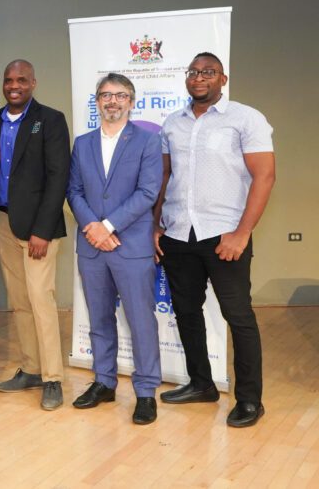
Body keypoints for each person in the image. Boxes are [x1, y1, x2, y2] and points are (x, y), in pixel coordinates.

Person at [154, 52, 275, 428]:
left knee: (238, 317)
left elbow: (265, 176)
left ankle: (250, 400)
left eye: (207, 72)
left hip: (224, 235)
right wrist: (156, 225)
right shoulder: (171, 123)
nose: (199, 78)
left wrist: (242, 234)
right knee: (187, 313)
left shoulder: (246, 118)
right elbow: (164, 177)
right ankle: (202, 384)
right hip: (177, 233)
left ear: (223, 78)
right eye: (193, 72)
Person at [66, 73, 162, 425]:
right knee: (99, 319)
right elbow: (73, 190)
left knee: (141, 322)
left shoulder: (148, 142)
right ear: (97, 102)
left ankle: (146, 391)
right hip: (92, 247)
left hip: (129, 245)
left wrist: (107, 226)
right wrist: (92, 227)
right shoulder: (83, 143)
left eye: (120, 95)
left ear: (131, 102)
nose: (112, 101)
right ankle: (104, 382)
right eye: (106, 95)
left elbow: (148, 192)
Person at [0, 59, 71, 410]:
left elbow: (58, 177)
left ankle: (53, 378)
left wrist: (42, 230)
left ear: (33, 83)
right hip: (3, 223)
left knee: (41, 299)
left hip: (38, 227)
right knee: (19, 301)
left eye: (21, 79)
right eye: (9, 80)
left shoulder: (50, 120)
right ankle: (32, 369)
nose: (14, 85)